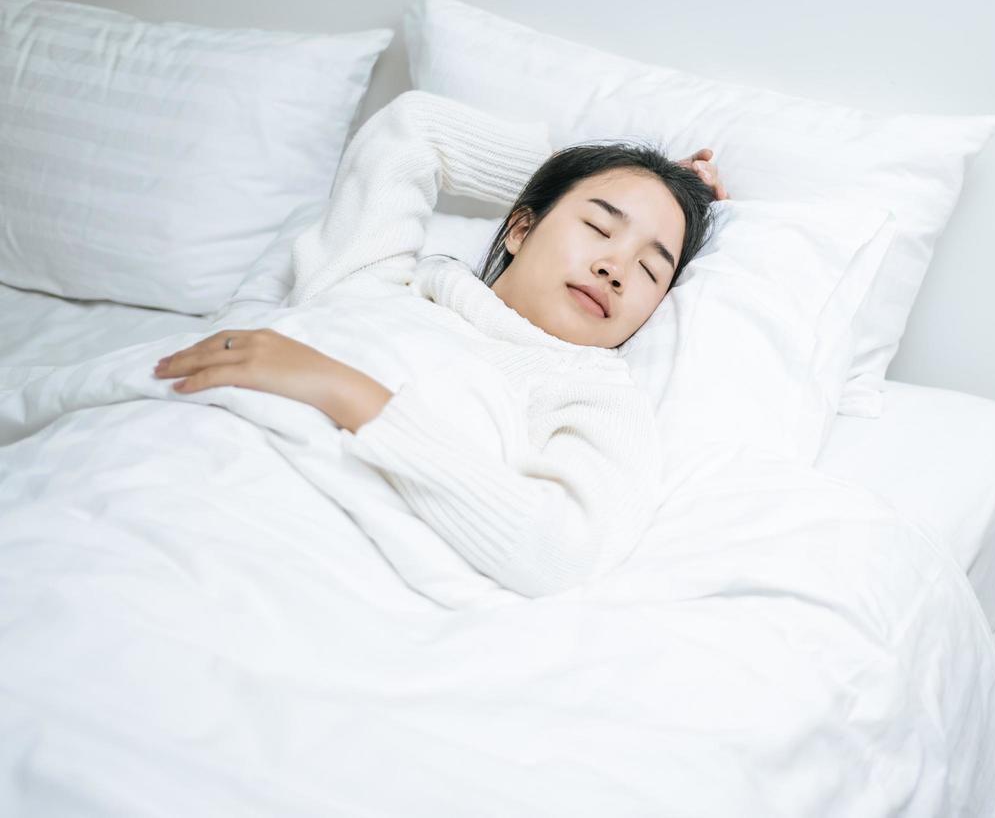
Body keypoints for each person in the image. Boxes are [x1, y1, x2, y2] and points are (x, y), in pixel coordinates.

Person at [151, 89, 726, 597]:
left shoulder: (596, 395)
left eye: (651, 270)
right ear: (521, 228)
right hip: (167, 464)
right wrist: (603, 173)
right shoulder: (370, 279)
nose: (615, 267)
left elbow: (562, 551)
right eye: (599, 227)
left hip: (295, 557)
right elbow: (416, 127)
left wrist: (347, 394)